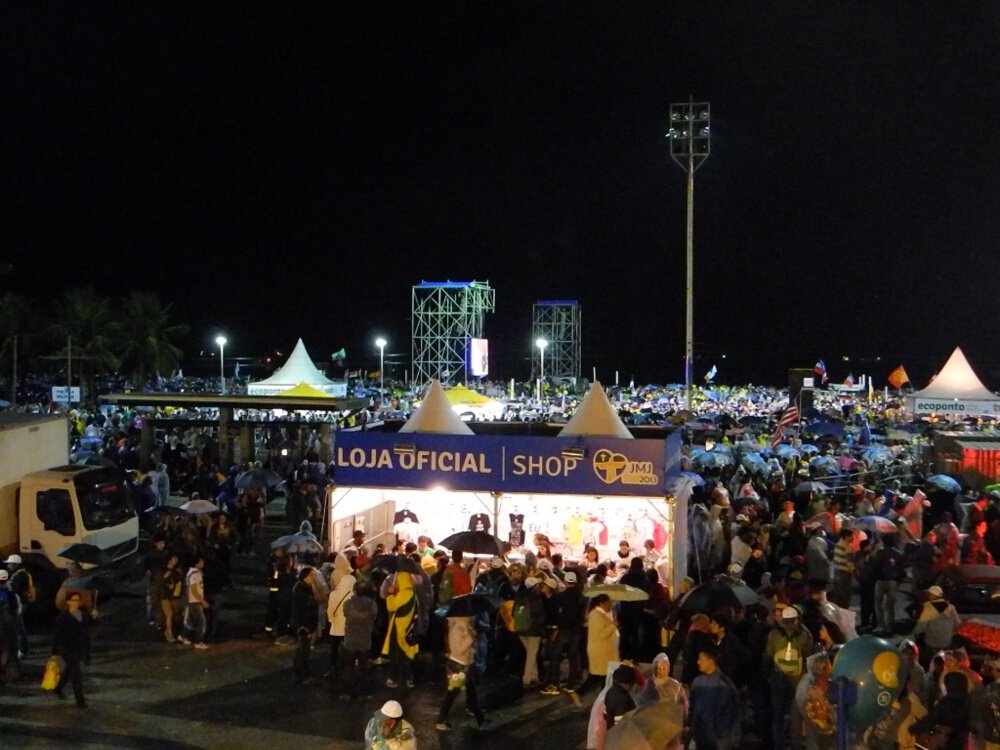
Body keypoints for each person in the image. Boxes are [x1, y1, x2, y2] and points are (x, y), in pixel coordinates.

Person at [766, 605, 814, 750]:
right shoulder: (805, 634)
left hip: (778, 675)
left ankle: (778, 745)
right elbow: (808, 654)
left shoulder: (774, 633)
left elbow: (768, 654)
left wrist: (768, 675)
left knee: (778, 714)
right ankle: (796, 744)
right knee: (796, 715)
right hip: (797, 678)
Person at [689, 647, 739, 750]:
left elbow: (730, 715)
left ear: (711, 660)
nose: (698, 662)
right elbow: (692, 709)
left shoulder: (724, 685)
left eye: (701, 659)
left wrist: (724, 739)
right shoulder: (697, 682)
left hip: (717, 740)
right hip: (700, 738)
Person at [51, 591, 92, 707]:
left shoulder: (82, 615)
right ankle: (80, 700)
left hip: (79, 648)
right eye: (73, 600)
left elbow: (86, 633)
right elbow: (56, 636)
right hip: (68, 648)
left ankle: (58, 688)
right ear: (68, 602)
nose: (76, 603)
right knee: (76, 674)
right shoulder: (62, 618)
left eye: (77, 600)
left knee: (69, 671)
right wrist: (54, 652)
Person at [574, 593, 618, 699]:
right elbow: (600, 634)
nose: (610, 606)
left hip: (605, 652)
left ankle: (601, 699)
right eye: (608, 603)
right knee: (599, 676)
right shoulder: (595, 615)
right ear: (601, 604)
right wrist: (613, 626)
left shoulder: (602, 615)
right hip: (600, 652)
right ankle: (582, 693)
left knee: (603, 677)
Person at [341, 580, 377, 702]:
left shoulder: (348, 604)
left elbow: (346, 613)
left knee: (349, 667)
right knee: (363, 668)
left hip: (350, 640)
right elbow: (374, 616)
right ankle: (362, 694)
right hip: (365, 641)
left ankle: (348, 693)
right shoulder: (372, 605)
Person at [290, 566, 322, 685]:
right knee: (303, 651)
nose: (314, 578)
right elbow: (303, 611)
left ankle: (298, 673)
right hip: (304, 627)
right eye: (311, 575)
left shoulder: (304, 588)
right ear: (305, 576)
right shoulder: (302, 591)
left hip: (305, 626)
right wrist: (305, 629)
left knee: (302, 650)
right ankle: (303, 676)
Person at [913, 585, 960, 661]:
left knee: (931, 660)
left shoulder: (928, 608)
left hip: (931, 643)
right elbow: (957, 624)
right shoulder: (951, 608)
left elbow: (920, 627)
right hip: (946, 642)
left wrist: (915, 632)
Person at [178, 555, 209, 649]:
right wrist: (202, 601)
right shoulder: (195, 574)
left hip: (191, 600)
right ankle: (198, 641)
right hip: (194, 601)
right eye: (201, 562)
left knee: (190, 621)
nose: (203, 563)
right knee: (201, 621)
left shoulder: (193, 572)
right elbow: (194, 589)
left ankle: (182, 635)